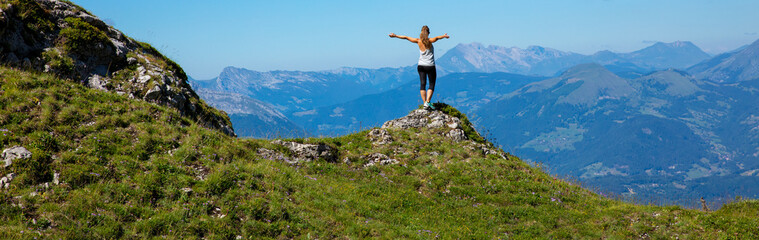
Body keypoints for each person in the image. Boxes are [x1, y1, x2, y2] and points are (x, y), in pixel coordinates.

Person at [389, 25, 449, 110]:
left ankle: (425, 103)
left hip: (421, 66)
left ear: (421, 33)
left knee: (422, 84)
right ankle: (428, 101)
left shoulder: (418, 41)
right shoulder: (430, 41)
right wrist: (444, 36)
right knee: (431, 84)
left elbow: (406, 37)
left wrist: (395, 36)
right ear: (428, 33)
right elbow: (437, 38)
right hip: (430, 66)